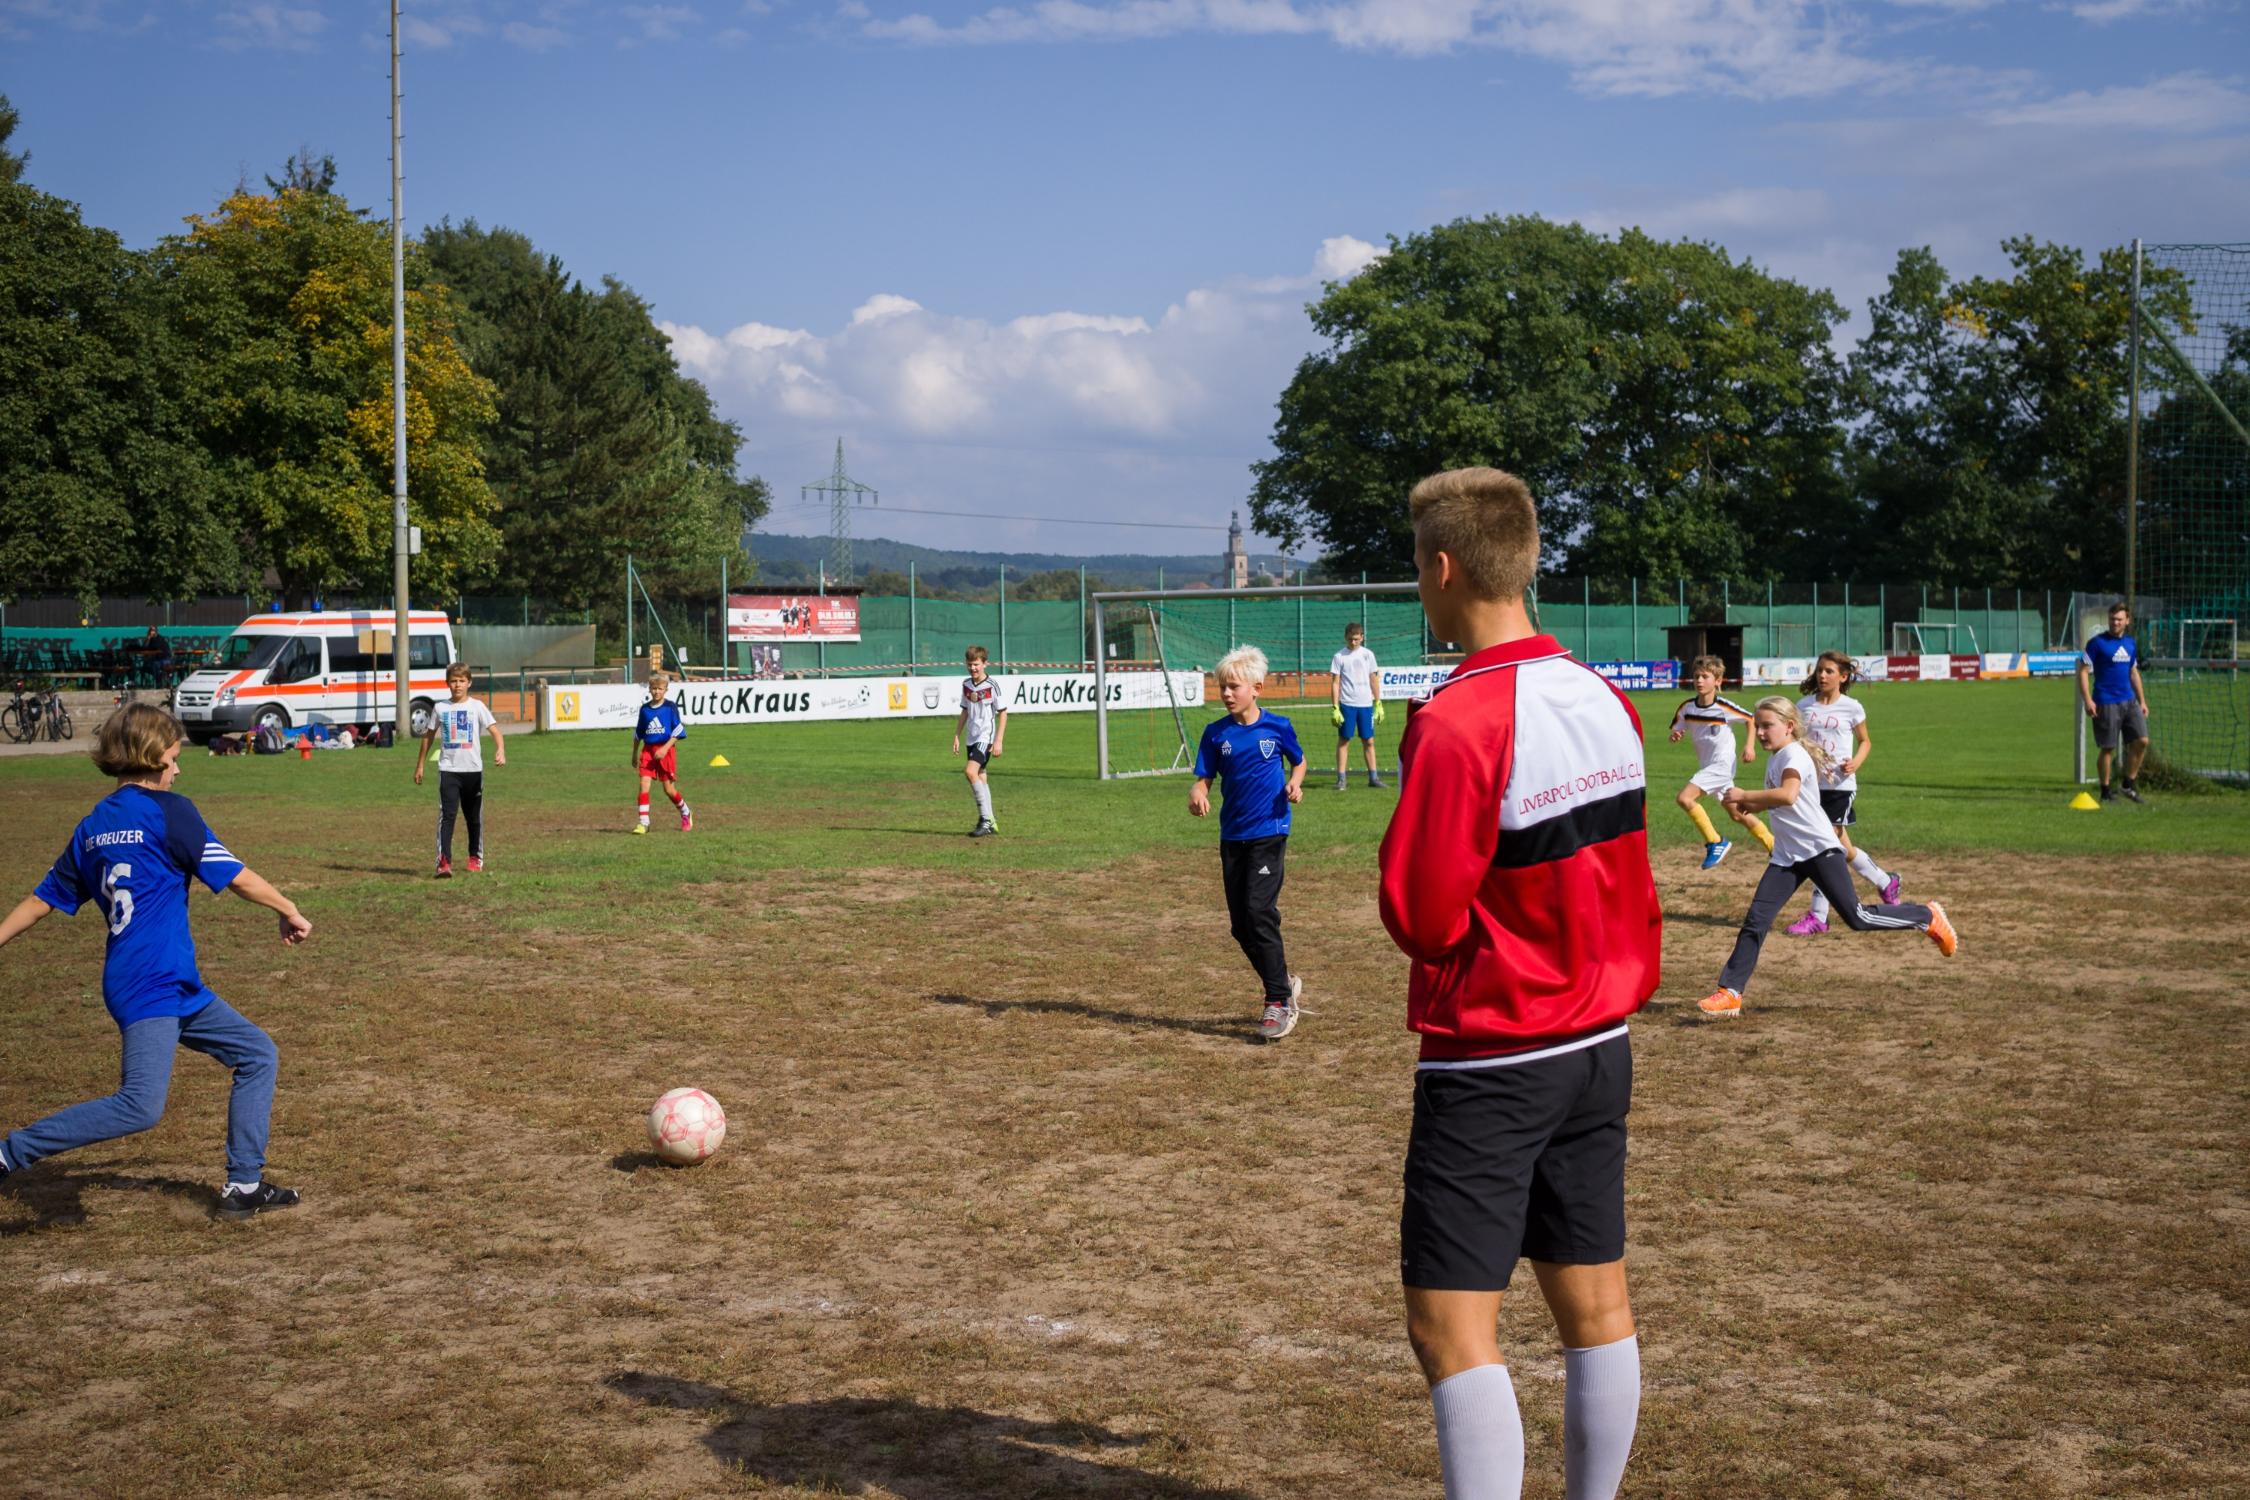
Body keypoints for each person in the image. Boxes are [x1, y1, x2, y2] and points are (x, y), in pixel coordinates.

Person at [1379, 467, 1659, 1500]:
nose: (1420, 588)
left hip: (1497, 1057)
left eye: (1418, 567)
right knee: (1595, 1309)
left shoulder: (1457, 722)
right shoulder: (1604, 697)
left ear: (1443, 567)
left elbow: (1421, 916)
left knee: (1450, 1328)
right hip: (1598, 1047)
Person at [0, 704, 310, 1220]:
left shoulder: (94, 824)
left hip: (162, 981)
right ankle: (10, 1152)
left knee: (257, 1053)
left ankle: (244, 1186)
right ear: (150, 758)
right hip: (151, 982)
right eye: (173, 757)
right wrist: (288, 908)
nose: (178, 768)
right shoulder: (171, 811)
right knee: (140, 1106)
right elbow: (234, 875)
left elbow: (42, 899)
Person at [1699, 697, 1957, 1019]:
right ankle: (1730, 992)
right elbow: (1787, 801)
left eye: (1768, 726)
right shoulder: (1777, 757)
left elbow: (1789, 795)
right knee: (1756, 920)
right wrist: (1756, 806)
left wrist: (1745, 796)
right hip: (1787, 857)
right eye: (1759, 726)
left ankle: (1925, 915)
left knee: (1857, 917)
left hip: (1820, 850)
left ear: (1789, 727)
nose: (1761, 732)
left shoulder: (1793, 755)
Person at [1189, 645, 1306, 1041]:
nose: (1226, 693)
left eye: (1234, 686)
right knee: (1241, 926)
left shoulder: (1278, 727)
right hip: (1232, 835)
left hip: (1270, 831)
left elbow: (1299, 760)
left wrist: (1295, 782)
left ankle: (1278, 1001)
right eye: (1222, 687)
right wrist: (1198, 791)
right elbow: (1205, 775)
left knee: (1259, 910)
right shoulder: (1215, 734)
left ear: (1256, 688)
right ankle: (1282, 981)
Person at [1787, 652, 1900, 936]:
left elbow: (1865, 741)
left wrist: (1856, 762)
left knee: (1824, 846)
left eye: (1828, 671)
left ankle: (1818, 916)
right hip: (1812, 788)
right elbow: (1797, 743)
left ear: (1843, 676)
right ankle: (1886, 882)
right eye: (1819, 671)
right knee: (1844, 850)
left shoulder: (1852, 708)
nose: (1822, 676)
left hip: (1840, 787)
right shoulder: (1804, 706)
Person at [1666, 655, 1770, 868]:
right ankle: (1776, 848)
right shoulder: (1687, 708)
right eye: (1696, 676)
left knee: (1685, 798)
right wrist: (1677, 735)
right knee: (1737, 813)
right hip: (1708, 766)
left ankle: (1715, 842)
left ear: (1718, 681)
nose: (1700, 681)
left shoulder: (1723, 707)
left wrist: (1749, 746)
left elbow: (1751, 719)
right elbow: (1678, 729)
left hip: (1721, 765)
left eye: (1705, 676)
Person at [414, 662, 506, 877]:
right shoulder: (440, 708)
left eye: (461, 681)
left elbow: (495, 731)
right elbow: (428, 737)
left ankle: (475, 857)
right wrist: (420, 765)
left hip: (473, 771)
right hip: (448, 770)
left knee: (474, 818)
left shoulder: (477, 707)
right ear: (448, 683)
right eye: (453, 681)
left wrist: (500, 749)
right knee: (447, 815)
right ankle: (443, 862)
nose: (457, 685)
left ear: (469, 683)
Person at [2078, 601, 2151, 803]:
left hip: (2129, 701)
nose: (2115, 622)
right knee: (2108, 748)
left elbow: (2133, 672)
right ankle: (2105, 791)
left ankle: (2128, 784)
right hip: (2105, 701)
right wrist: (2087, 700)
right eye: (2112, 619)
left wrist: (2142, 701)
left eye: (2119, 619)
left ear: (2127, 621)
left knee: (2142, 741)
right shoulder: (2097, 643)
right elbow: (2083, 671)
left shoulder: (2130, 644)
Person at [952, 646, 1008, 838]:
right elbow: (965, 711)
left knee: (970, 772)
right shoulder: (966, 684)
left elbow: (1003, 713)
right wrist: (957, 735)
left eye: (976, 664)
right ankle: (990, 821)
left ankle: (985, 819)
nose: (973, 668)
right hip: (971, 737)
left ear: (985, 663)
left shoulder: (992, 686)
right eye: (970, 665)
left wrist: (998, 740)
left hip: (985, 737)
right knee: (981, 776)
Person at [630, 670, 692, 835]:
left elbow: (679, 731)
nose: (657, 691)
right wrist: (634, 754)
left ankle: (685, 812)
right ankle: (644, 823)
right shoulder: (645, 710)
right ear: (649, 689)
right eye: (654, 688)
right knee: (644, 784)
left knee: (669, 790)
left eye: (660, 688)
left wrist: (665, 749)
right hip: (648, 752)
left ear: (666, 689)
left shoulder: (670, 707)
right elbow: (638, 734)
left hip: (666, 751)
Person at [1329, 622, 1387, 791]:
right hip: (1347, 705)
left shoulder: (1368, 655)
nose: (1353, 642)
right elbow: (1335, 683)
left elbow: (1373, 679)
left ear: (1362, 637)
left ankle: (1374, 778)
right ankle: (1341, 780)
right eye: (1349, 639)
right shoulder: (1339, 656)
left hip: (1366, 705)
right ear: (1345, 638)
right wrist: (1335, 707)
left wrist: (1378, 703)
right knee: (1344, 740)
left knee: (1369, 740)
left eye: (1356, 639)